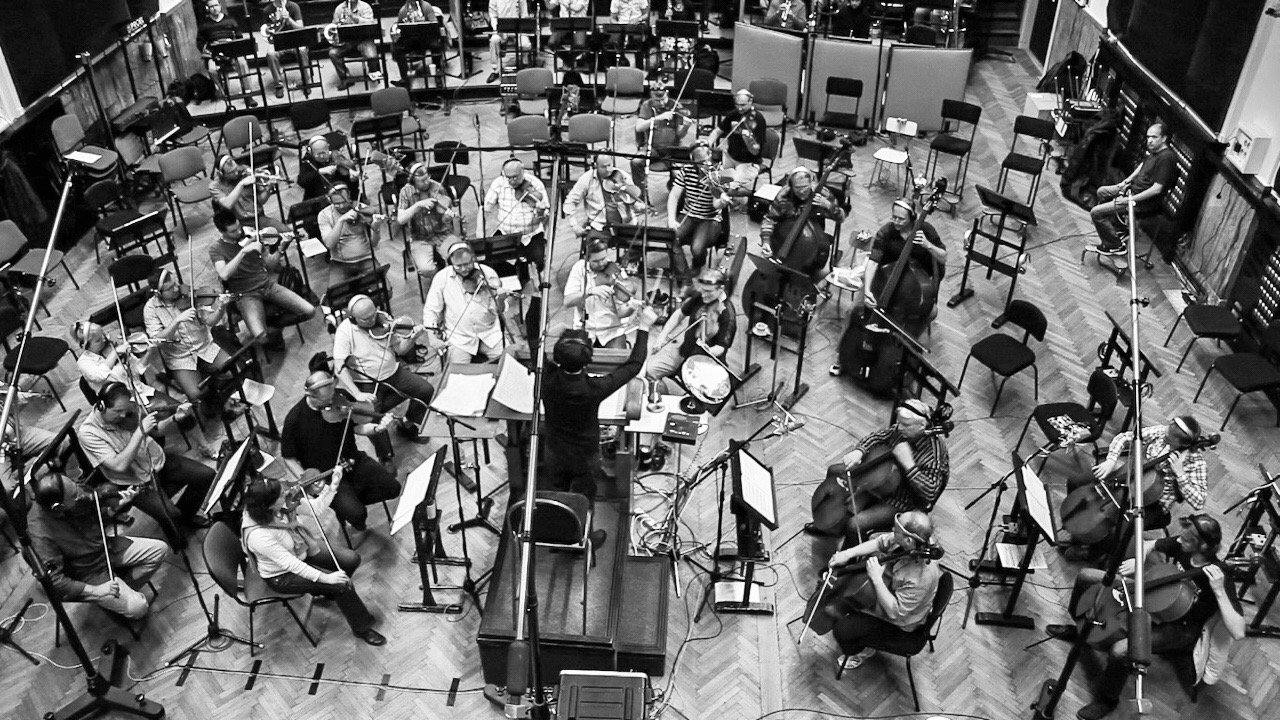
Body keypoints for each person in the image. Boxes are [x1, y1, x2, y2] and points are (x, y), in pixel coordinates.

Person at [1047, 513, 1245, 720]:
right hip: (1155, 594)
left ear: (1204, 546)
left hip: (1181, 628)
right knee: (1087, 576)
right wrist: (1138, 561)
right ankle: (1080, 628)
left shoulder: (1220, 575)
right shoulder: (1182, 545)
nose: (1180, 540)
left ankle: (1107, 699)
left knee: (1120, 650)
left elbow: (1238, 631)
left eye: (1187, 540)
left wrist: (1219, 590)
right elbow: (1150, 544)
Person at [241, 476, 386, 645]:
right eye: (281, 495)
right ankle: (362, 628)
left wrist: (333, 486)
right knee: (342, 584)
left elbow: (316, 509)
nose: (287, 494)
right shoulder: (259, 536)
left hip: (301, 549)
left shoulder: (284, 504)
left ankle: (325, 591)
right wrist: (327, 578)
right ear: (269, 504)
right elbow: (292, 565)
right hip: (283, 575)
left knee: (351, 559)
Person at [77, 382, 215, 549]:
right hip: (135, 482)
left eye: (125, 410)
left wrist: (174, 419)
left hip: (157, 461)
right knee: (170, 514)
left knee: (206, 475)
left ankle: (186, 517)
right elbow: (118, 465)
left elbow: (157, 430)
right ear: (101, 406)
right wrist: (140, 432)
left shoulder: (130, 408)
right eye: (117, 412)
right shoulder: (88, 433)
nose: (123, 416)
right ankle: (179, 544)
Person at [542, 308, 657, 499]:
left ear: (556, 357)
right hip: (585, 455)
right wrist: (644, 327)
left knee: (556, 494)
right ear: (587, 362)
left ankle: (559, 519)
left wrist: (539, 299)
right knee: (584, 495)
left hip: (554, 449)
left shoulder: (546, 376)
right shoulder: (594, 388)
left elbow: (532, 341)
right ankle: (585, 523)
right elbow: (634, 365)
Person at [28, 470, 170, 620]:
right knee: (138, 608)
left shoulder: (74, 495)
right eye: (74, 496)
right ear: (58, 507)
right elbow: (54, 580)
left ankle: (120, 591)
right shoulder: (39, 534)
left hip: (107, 549)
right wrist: (96, 591)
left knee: (160, 550)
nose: (81, 495)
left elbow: (97, 519)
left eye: (76, 486)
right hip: (87, 572)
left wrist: (115, 508)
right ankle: (111, 597)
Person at [1060, 416, 1210, 556]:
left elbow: (1199, 501)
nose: (1164, 436)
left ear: (1182, 444)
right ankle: (1076, 525)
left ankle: (1092, 552)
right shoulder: (1162, 432)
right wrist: (1111, 460)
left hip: (1152, 502)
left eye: (1169, 438)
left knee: (1120, 528)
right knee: (1076, 481)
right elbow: (1124, 437)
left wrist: (1180, 473)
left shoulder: (1196, 463)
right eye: (1166, 432)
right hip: (1125, 475)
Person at [281, 371, 403, 533]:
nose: (332, 400)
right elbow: (288, 457)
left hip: (354, 460)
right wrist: (309, 481)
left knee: (393, 488)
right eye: (326, 399)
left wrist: (378, 428)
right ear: (311, 396)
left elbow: (358, 427)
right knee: (358, 515)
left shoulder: (340, 398)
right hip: (328, 477)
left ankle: (349, 505)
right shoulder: (294, 420)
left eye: (332, 393)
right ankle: (351, 512)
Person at [824, 510, 942, 671]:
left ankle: (862, 651)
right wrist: (847, 553)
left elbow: (896, 612)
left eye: (896, 531)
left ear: (908, 540)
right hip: (892, 587)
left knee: (842, 630)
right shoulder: (913, 541)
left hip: (901, 623)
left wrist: (877, 579)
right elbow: (880, 542)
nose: (892, 532)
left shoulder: (921, 577)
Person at [822, 399, 949, 542]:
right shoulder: (902, 429)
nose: (899, 427)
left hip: (900, 501)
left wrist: (909, 465)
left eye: (905, 425)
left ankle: (848, 561)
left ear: (922, 426)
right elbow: (878, 436)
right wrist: (860, 450)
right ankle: (827, 524)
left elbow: (930, 493)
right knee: (834, 472)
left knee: (854, 524)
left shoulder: (934, 454)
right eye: (899, 422)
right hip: (878, 480)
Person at [333, 295, 434, 441]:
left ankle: (407, 424)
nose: (373, 320)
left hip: (394, 373)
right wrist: (356, 394)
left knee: (425, 390)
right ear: (353, 318)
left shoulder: (383, 320)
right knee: (370, 417)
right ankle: (385, 456)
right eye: (366, 319)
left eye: (373, 314)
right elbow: (338, 368)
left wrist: (412, 338)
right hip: (368, 382)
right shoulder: (345, 332)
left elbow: (400, 350)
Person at [209, 209, 317, 343]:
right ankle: (268, 328)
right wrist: (243, 251)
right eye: (233, 231)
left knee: (309, 311)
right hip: (246, 294)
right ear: (222, 232)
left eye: (238, 227)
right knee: (262, 338)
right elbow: (224, 274)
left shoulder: (252, 235)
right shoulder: (216, 248)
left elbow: (270, 265)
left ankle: (273, 325)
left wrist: (281, 248)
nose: (239, 232)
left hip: (267, 285)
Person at [143, 268, 233, 411]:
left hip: (204, 347)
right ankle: (213, 398)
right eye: (170, 288)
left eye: (176, 283)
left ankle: (217, 392)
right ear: (159, 293)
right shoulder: (150, 309)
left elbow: (210, 321)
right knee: (196, 394)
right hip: (180, 359)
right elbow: (156, 341)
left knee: (233, 372)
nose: (177, 288)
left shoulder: (189, 295)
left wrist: (221, 308)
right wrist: (177, 321)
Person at [1091, 122, 1177, 256]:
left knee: (1096, 213)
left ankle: (1115, 245)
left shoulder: (1167, 158)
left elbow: (1156, 189)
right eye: (1148, 137)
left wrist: (1129, 200)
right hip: (1131, 191)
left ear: (1164, 138)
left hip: (1142, 203)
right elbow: (1143, 165)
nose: (1149, 140)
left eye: (1154, 137)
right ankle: (1119, 229)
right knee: (1102, 192)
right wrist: (1126, 181)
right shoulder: (1155, 152)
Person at [646, 267, 735, 393]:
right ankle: (662, 398)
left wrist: (708, 350)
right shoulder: (701, 296)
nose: (703, 295)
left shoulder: (727, 315)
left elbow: (721, 347)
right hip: (684, 350)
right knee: (650, 370)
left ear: (721, 289)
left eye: (708, 291)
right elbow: (680, 314)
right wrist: (662, 336)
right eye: (702, 290)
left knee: (698, 397)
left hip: (703, 362)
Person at [424, 241, 510, 363]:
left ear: (473, 259)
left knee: (507, 362)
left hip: (489, 334)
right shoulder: (442, 278)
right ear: (451, 263)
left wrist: (500, 300)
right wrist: (432, 338)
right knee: (458, 373)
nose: (464, 269)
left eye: (467, 264)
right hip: (460, 339)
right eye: (458, 266)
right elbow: (431, 309)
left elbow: (498, 311)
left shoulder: (487, 274)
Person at [760, 166, 845, 283]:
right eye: (797, 188)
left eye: (805, 187)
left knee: (822, 274)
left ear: (811, 183)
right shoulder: (783, 196)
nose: (802, 191)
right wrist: (766, 241)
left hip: (814, 241)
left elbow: (841, 217)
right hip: (784, 239)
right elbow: (769, 219)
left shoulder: (822, 193)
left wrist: (827, 205)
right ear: (790, 185)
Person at [564, 238, 644, 349]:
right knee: (575, 360)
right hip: (584, 329)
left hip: (612, 331)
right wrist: (590, 292)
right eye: (596, 261)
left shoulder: (616, 272)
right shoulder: (579, 268)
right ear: (587, 259)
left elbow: (621, 313)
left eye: (604, 258)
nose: (601, 264)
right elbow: (567, 301)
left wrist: (631, 307)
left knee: (617, 362)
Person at [478, 159, 549, 283]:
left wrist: (540, 212)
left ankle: (536, 291)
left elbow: (544, 217)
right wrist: (479, 230)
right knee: (492, 259)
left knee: (539, 261)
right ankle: (509, 287)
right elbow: (484, 209)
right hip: (506, 233)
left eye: (515, 177)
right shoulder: (499, 183)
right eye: (508, 177)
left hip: (530, 235)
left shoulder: (535, 184)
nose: (511, 181)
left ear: (523, 172)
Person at [667, 142, 729, 276]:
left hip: (709, 217)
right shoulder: (686, 170)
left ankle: (698, 263)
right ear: (692, 159)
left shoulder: (717, 173)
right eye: (700, 162)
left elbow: (715, 204)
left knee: (697, 249)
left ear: (710, 155)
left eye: (707, 161)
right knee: (671, 239)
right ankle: (683, 275)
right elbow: (674, 195)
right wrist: (671, 219)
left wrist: (722, 201)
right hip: (688, 214)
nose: (704, 165)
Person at [397, 162, 460, 287]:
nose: (426, 182)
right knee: (426, 269)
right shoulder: (405, 192)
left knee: (459, 257)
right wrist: (417, 205)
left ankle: (452, 284)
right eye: (421, 181)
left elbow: (445, 215)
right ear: (413, 181)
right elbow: (401, 219)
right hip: (419, 237)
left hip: (443, 233)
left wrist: (447, 217)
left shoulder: (437, 187)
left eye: (427, 178)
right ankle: (441, 280)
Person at [706, 89, 768, 207]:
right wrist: (707, 144)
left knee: (728, 189)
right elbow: (717, 131)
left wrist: (748, 140)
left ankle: (754, 192)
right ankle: (727, 201)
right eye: (737, 105)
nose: (740, 109)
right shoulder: (733, 115)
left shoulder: (758, 119)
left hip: (748, 162)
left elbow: (755, 151)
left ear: (751, 102)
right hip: (730, 157)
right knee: (715, 181)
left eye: (743, 105)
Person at [318, 183, 383, 287]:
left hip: (366, 259)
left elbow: (374, 244)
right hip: (340, 263)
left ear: (349, 196)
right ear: (330, 200)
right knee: (336, 297)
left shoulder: (361, 209)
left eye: (344, 202)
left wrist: (376, 228)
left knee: (384, 291)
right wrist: (341, 220)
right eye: (337, 204)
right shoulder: (324, 215)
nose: (342, 206)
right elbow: (329, 244)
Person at [564, 154, 644, 239]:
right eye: (603, 167)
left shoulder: (622, 175)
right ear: (596, 166)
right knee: (595, 246)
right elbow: (570, 202)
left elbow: (632, 200)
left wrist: (639, 206)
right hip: (599, 226)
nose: (608, 170)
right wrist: (574, 225)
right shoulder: (586, 179)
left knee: (638, 245)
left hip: (626, 224)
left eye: (609, 165)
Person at [632, 79, 693, 190]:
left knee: (678, 174)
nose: (660, 103)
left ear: (667, 95)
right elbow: (639, 127)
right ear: (651, 96)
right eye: (657, 100)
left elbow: (680, 135)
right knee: (636, 162)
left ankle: (676, 194)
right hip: (653, 148)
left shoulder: (675, 105)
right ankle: (641, 192)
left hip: (673, 149)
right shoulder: (647, 105)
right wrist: (657, 118)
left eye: (663, 99)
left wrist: (686, 127)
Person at [198, 0, 259, 107]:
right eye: (211, 6)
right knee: (212, 69)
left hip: (232, 50)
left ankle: (248, 94)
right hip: (215, 52)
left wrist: (233, 43)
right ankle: (222, 92)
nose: (214, 8)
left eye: (216, 5)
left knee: (242, 64)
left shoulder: (230, 20)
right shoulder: (204, 25)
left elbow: (239, 36)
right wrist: (208, 51)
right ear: (207, 9)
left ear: (220, 6)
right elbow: (200, 42)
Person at [210, 155, 288, 233]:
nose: (236, 172)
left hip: (258, 218)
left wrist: (268, 188)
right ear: (221, 173)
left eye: (236, 168)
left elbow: (260, 200)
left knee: (286, 232)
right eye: (232, 172)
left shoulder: (245, 170)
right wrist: (241, 184)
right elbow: (228, 203)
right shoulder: (215, 186)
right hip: (237, 224)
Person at [329, 0, 382, 90]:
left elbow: (370, 23)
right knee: (333, 53)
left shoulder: (365, 7)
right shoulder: (339, 9)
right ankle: (346, 78)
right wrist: (339, 26)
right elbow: (333, 26)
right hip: (347, 42)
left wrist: (354, 17)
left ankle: (373, 72)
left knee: (372, 55)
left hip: (364, 40)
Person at [261, 0, 308, 98]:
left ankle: (306, 81)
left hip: (295, 40)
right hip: (278, 41)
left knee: (302, 50)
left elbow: (300, 27)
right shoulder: (267, 10)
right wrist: (269, 30)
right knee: (270, 54)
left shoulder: (294, 6)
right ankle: (278, 85)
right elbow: (266, 28)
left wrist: (289, 19)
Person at [297, 135, 358, 201]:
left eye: (324, 153)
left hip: (340, 198)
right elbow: (302, 182)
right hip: (319, 199)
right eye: (318, 154)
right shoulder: (307, 161)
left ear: (328, 148)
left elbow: (352, 187)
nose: (322, 156)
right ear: (311, 152)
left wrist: (353, 180)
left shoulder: (337, 158)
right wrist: (319, 171)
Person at [486, 0, 531, 84]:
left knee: (526, 45)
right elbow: (493, 16)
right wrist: (496, 28)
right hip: (501, 29)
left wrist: (523, 26)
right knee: (494, 40)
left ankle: (524, 64)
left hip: (518, 28)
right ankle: (496, 70)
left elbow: (524, 14)